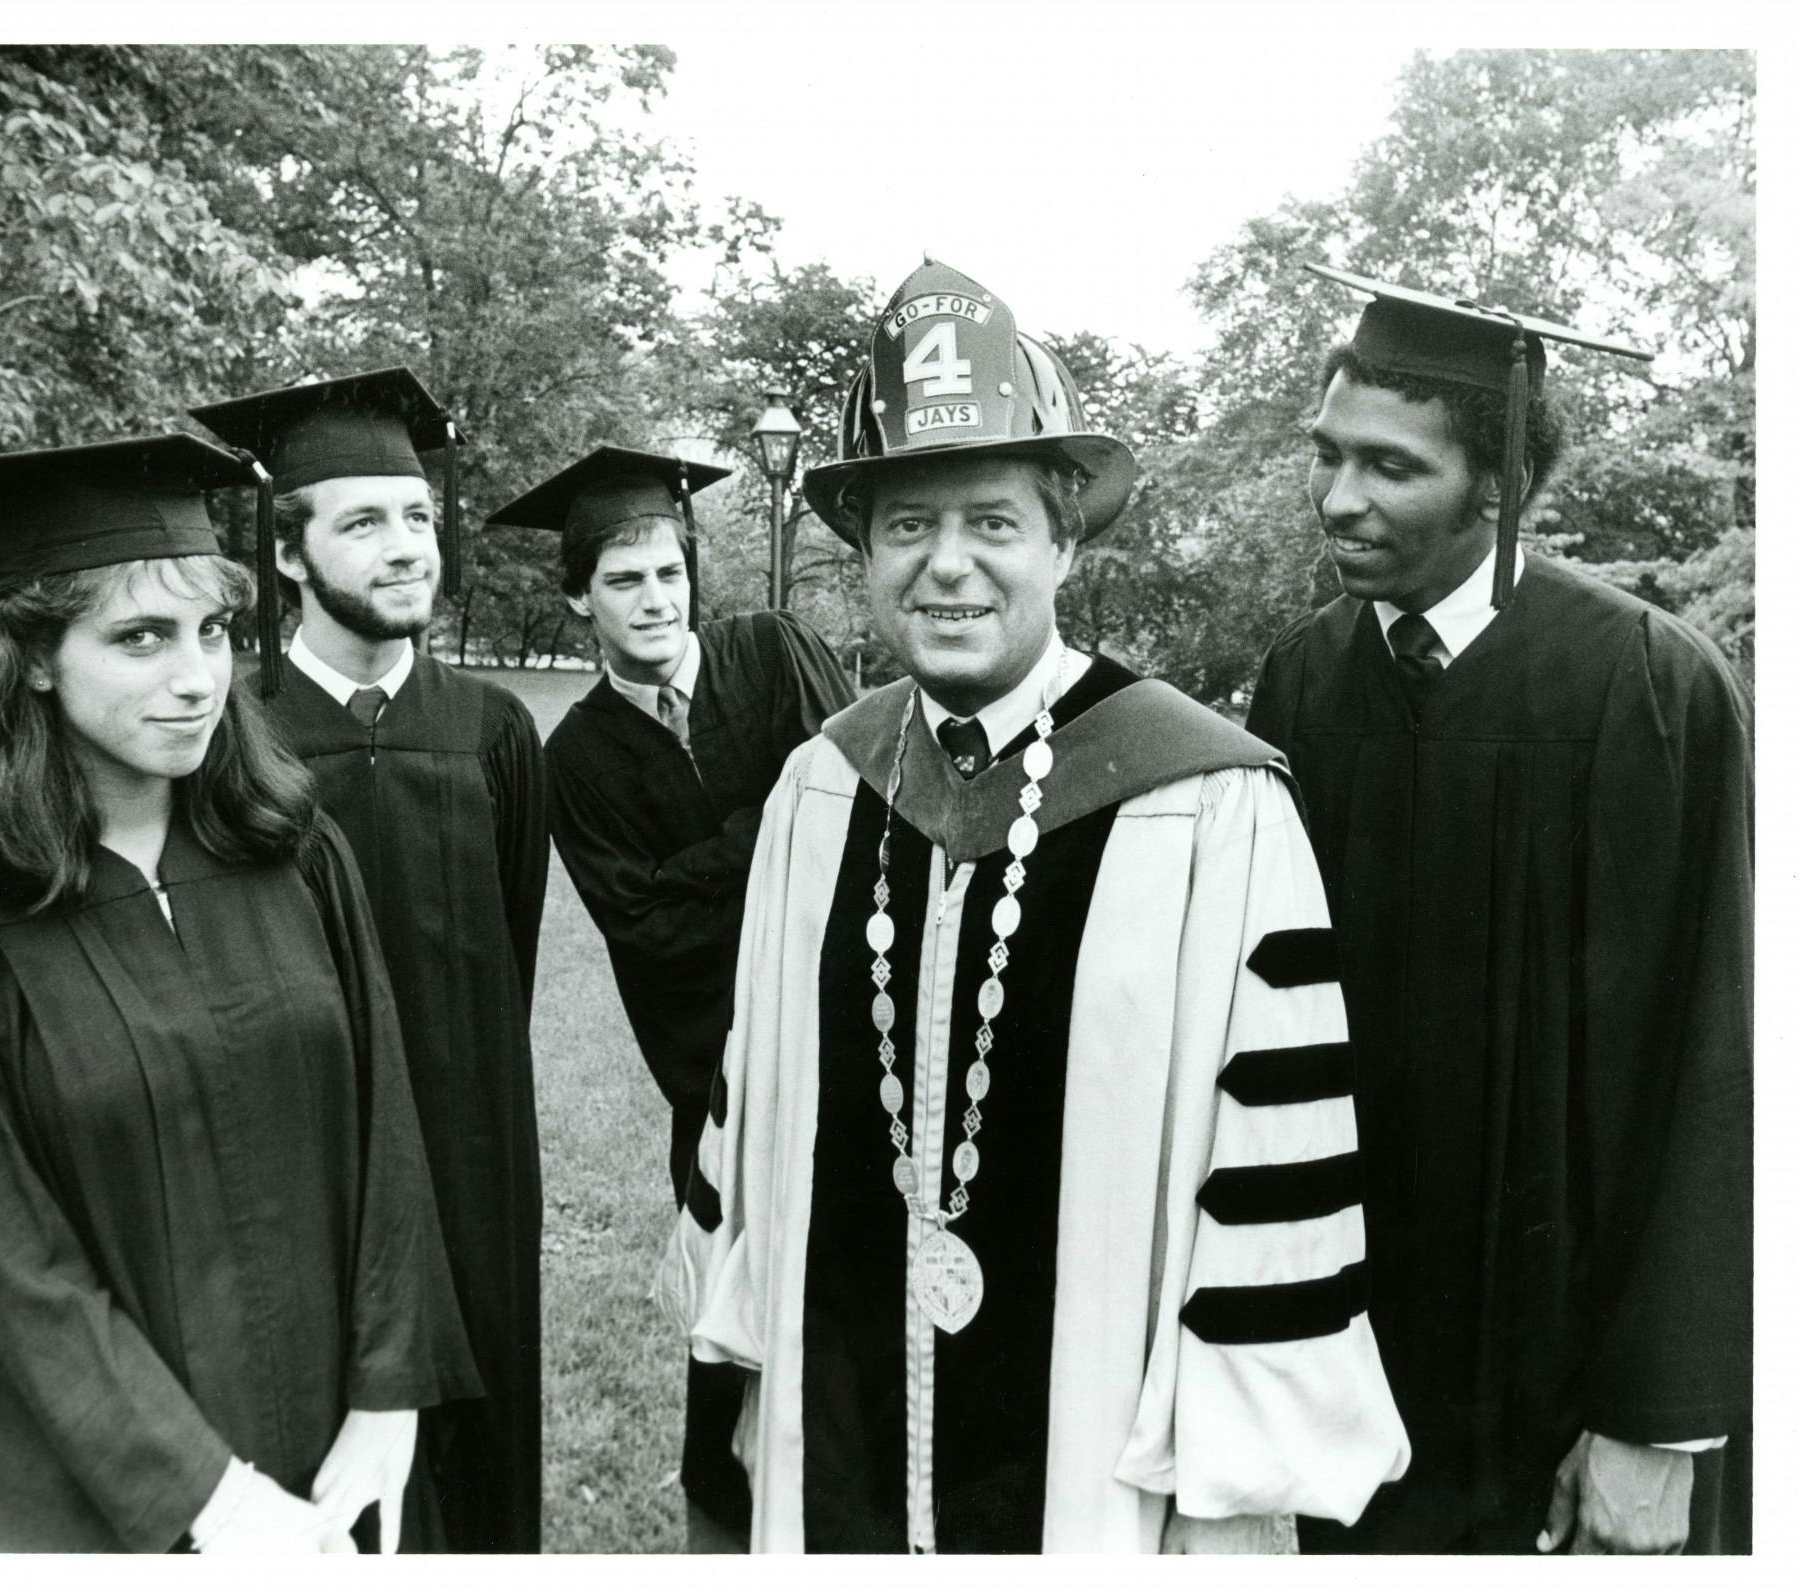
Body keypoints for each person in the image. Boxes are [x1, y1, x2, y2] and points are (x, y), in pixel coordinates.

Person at [660, 261, 1410, 1553]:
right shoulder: (818, 791)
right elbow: (760, 1118)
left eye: (992, 522)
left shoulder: (1210, 811)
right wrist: (752, 1387)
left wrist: (1224, 1498)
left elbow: (1273, 1183)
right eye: (908, 526)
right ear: (866, 551)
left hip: (1097, 1489)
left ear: (1065, 538)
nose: (947, 564)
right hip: (831, 1442)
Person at [0, 435, 476, 1552]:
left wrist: (386, 1399)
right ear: (31, 657)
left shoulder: (295, 858)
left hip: (337, 1459)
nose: (197, 678)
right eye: (140, 638)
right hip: (110, 1500)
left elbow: (388, 1136)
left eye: (214, 633)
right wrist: (212, 1503)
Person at [1246, 266, 1752, 1554]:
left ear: (1495, 479)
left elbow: (1713, 1062)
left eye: (1388, 467)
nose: (1337, 497)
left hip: (1567, 1372)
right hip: (1344, 1366)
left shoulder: (1643, 686)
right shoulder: (1303, 685)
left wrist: (1659, 1417)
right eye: (1326, 455)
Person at [188, 369, 549, 1553]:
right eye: (360, 522)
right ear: (287, 554)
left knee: (482, 1436)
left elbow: (515, 933)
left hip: (474, 1141)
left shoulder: (491, 731)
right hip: (306, 1155)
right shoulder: (229, 738)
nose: (404, 548)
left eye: (415, 519)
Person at [489, 447, 856, 1549]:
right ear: (577, 602)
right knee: (727, 1347)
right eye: (621, 582)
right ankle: (725, 1536)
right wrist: (779, 828)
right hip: (718, 1087)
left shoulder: (774, 651)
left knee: (855, 1328)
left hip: (856, 1039)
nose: (652, 601)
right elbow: (648, 937)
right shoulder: (575, 763)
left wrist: (722, 861)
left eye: (666, 575)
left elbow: (864, 814)